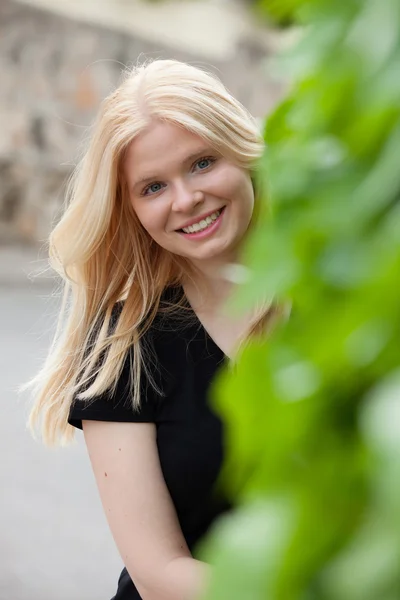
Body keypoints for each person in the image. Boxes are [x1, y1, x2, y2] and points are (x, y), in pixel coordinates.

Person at [25, 59, 275, 600]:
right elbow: (160, 573)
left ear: (243, 152)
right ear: (130, 207)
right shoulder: (123, 347)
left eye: (203, 163)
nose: (185, 200)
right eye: (153, 186)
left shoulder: (333, 296)